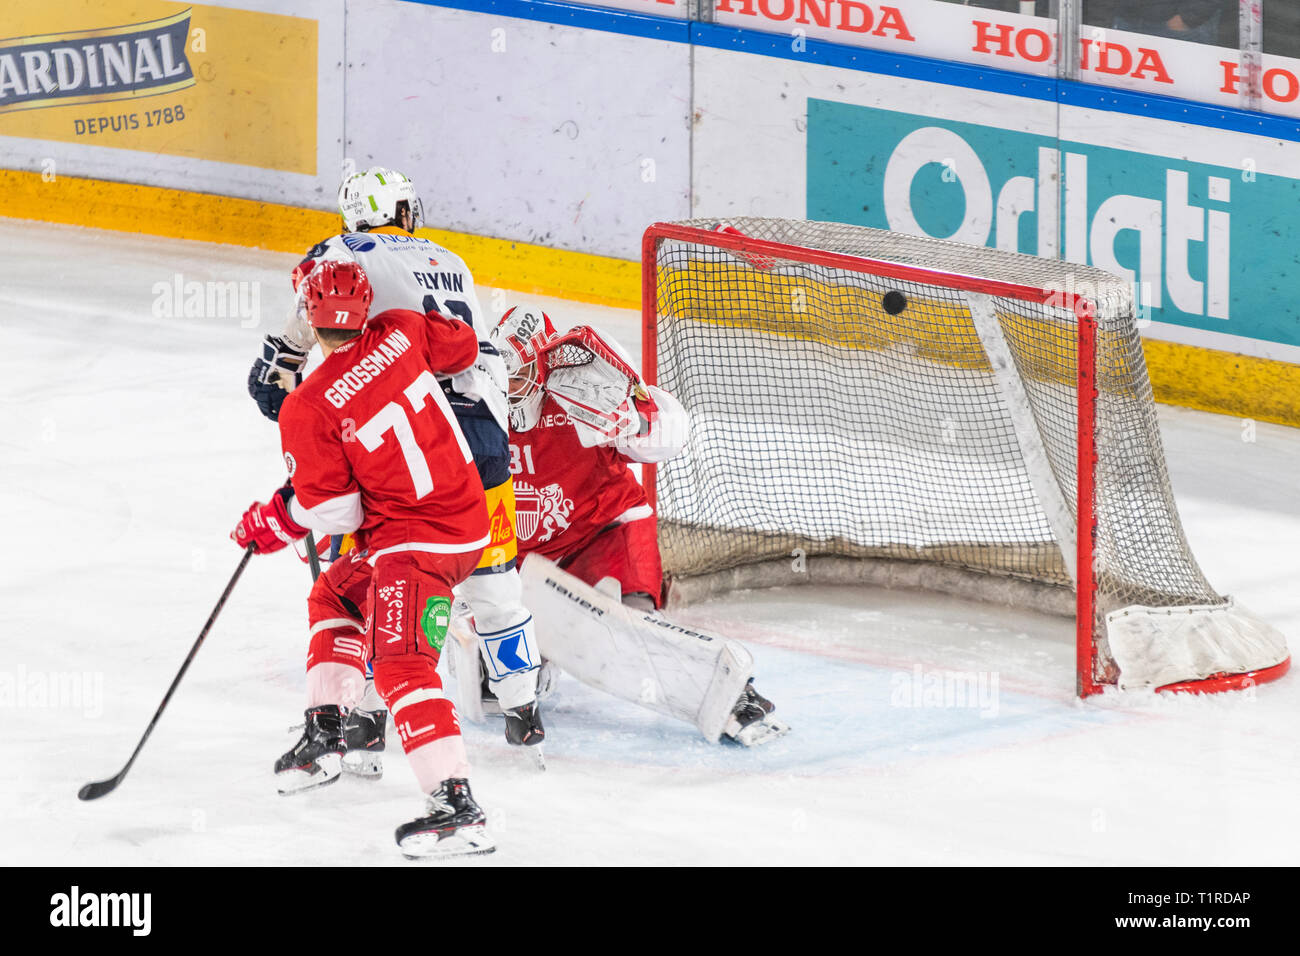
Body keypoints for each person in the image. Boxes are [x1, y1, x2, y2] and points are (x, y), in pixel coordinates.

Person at [247, 167, 544, 775]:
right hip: (485, 433)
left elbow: (315, 302)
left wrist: (281, 365)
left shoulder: (343, 251)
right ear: (404, 209)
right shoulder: (449, 257)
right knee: (493, 582)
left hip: (405, 442)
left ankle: (366, 722)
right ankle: (524, 713)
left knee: (382, 577)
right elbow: (466, 343)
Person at [232, 261, 495, 858]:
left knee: (402, 664)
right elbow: (461, 346)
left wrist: (276, 518)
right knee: (334, 596)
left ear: (308, 316)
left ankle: (458, 806)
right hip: (461, 518)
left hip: (415, 543)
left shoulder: (307, 407)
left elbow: (338, 515)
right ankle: (325, 734)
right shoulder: (401, 328)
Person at [484, 304, 789, 746]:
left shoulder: (582, 391)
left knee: (633, 628)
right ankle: (541, 649)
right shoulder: (480, 401)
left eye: (520, 373)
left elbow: (673, 434)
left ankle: (738, 697)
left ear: (544, 361)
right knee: (487, 684)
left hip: (606, 531)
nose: (510, 388)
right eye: (504, 373)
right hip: (526, 559)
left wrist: (633, 420)